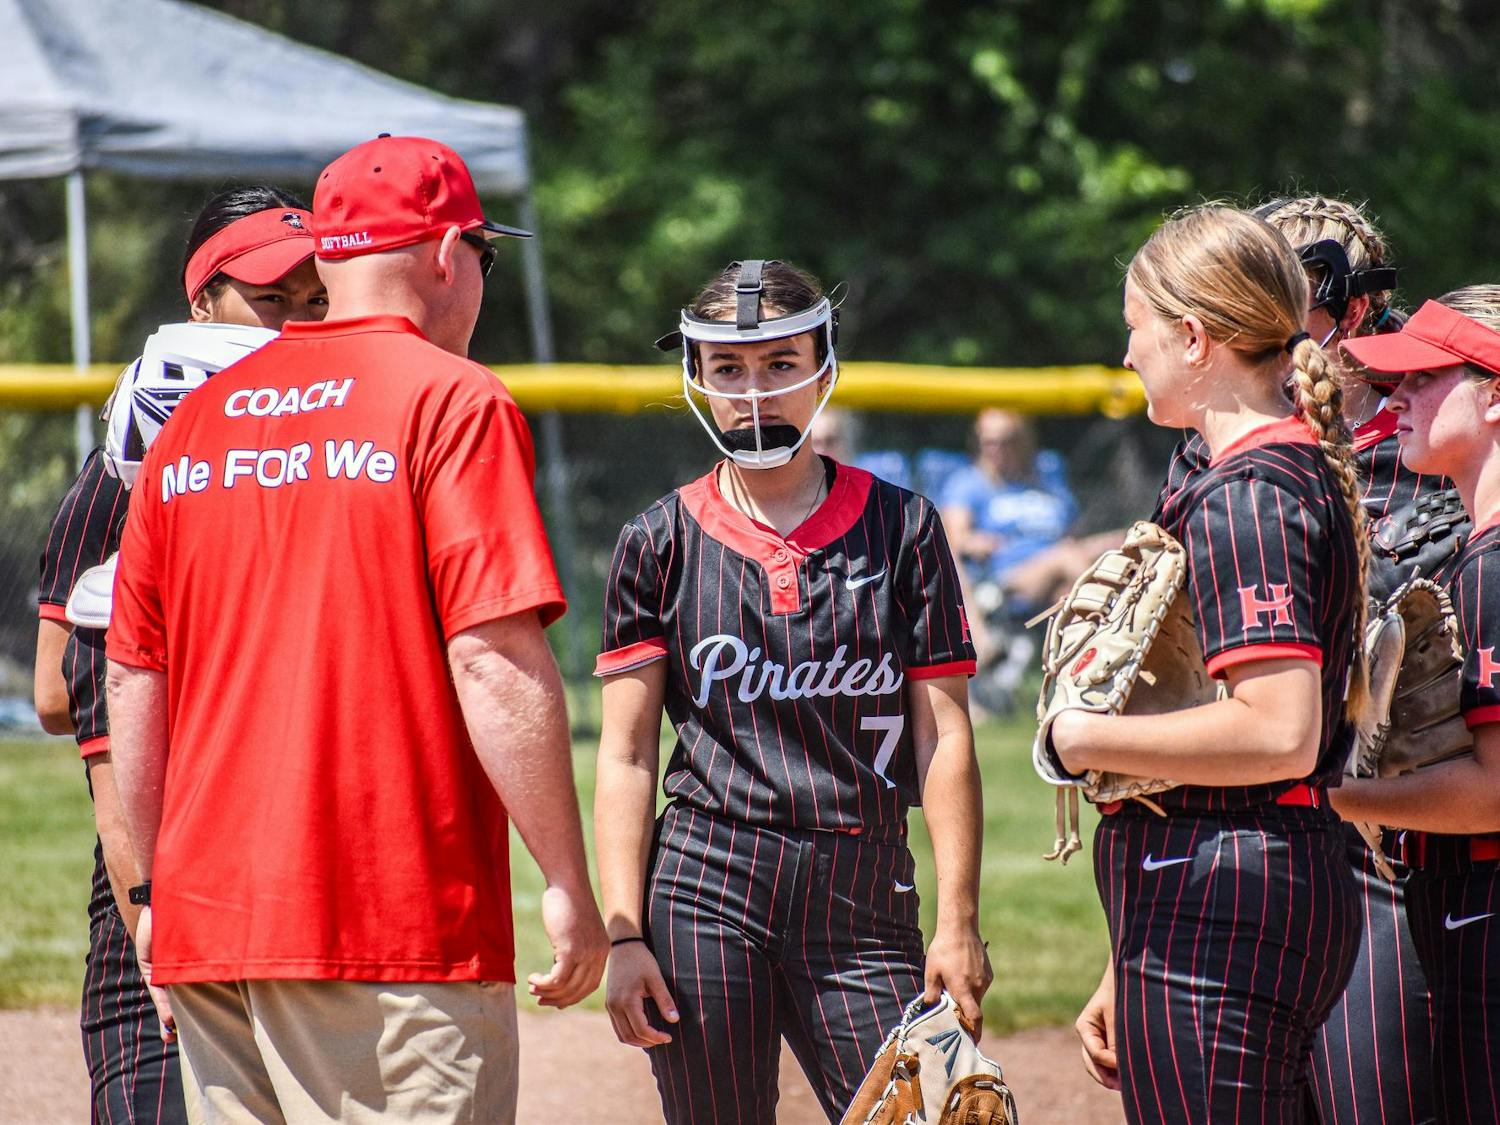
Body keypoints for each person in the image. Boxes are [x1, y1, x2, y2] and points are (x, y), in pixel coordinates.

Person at [103, 135, 608, 1125]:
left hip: (210, 923)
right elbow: (492, 657)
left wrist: (157, 892)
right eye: (484, 257)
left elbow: (133, 679)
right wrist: (564, 879)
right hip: (386, 921)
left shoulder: (194, 421)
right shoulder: (452, 396)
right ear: (448, 253)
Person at [594, 259, 989, 1123]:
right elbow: (625, 755)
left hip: (862, 885)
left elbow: (944, 737)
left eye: (780, 363)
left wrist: (959, 921)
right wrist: (622, 932)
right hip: (706, 879)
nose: (754, 392)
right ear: (696, 374)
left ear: (823, 365)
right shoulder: (657, 540)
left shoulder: (904, 527)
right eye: (728, 368)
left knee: (928, 1113)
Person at [1077, 194, 1443, 1125]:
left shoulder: (1250, 489)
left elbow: (1280, 731)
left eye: (1137, 328)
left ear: (1194, 337)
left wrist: (1079, 737)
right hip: (1240, 876)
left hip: (1234, 883)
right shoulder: (1256, 470)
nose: (1129, 353)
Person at [32, 184, 324, 1125]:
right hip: (163, 850)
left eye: (317, 300)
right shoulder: (129, 468)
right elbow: (59, 694)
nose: (296, 321)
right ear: (202, 302)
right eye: (270, 299)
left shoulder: (322, 447)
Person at [1328, 287, 1500, 1124]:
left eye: (1425, 378)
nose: (1395, 397)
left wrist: (1317, 792)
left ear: (1494, 394)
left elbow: (1492, 794)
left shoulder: (1491, 566)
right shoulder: (1477, 551)